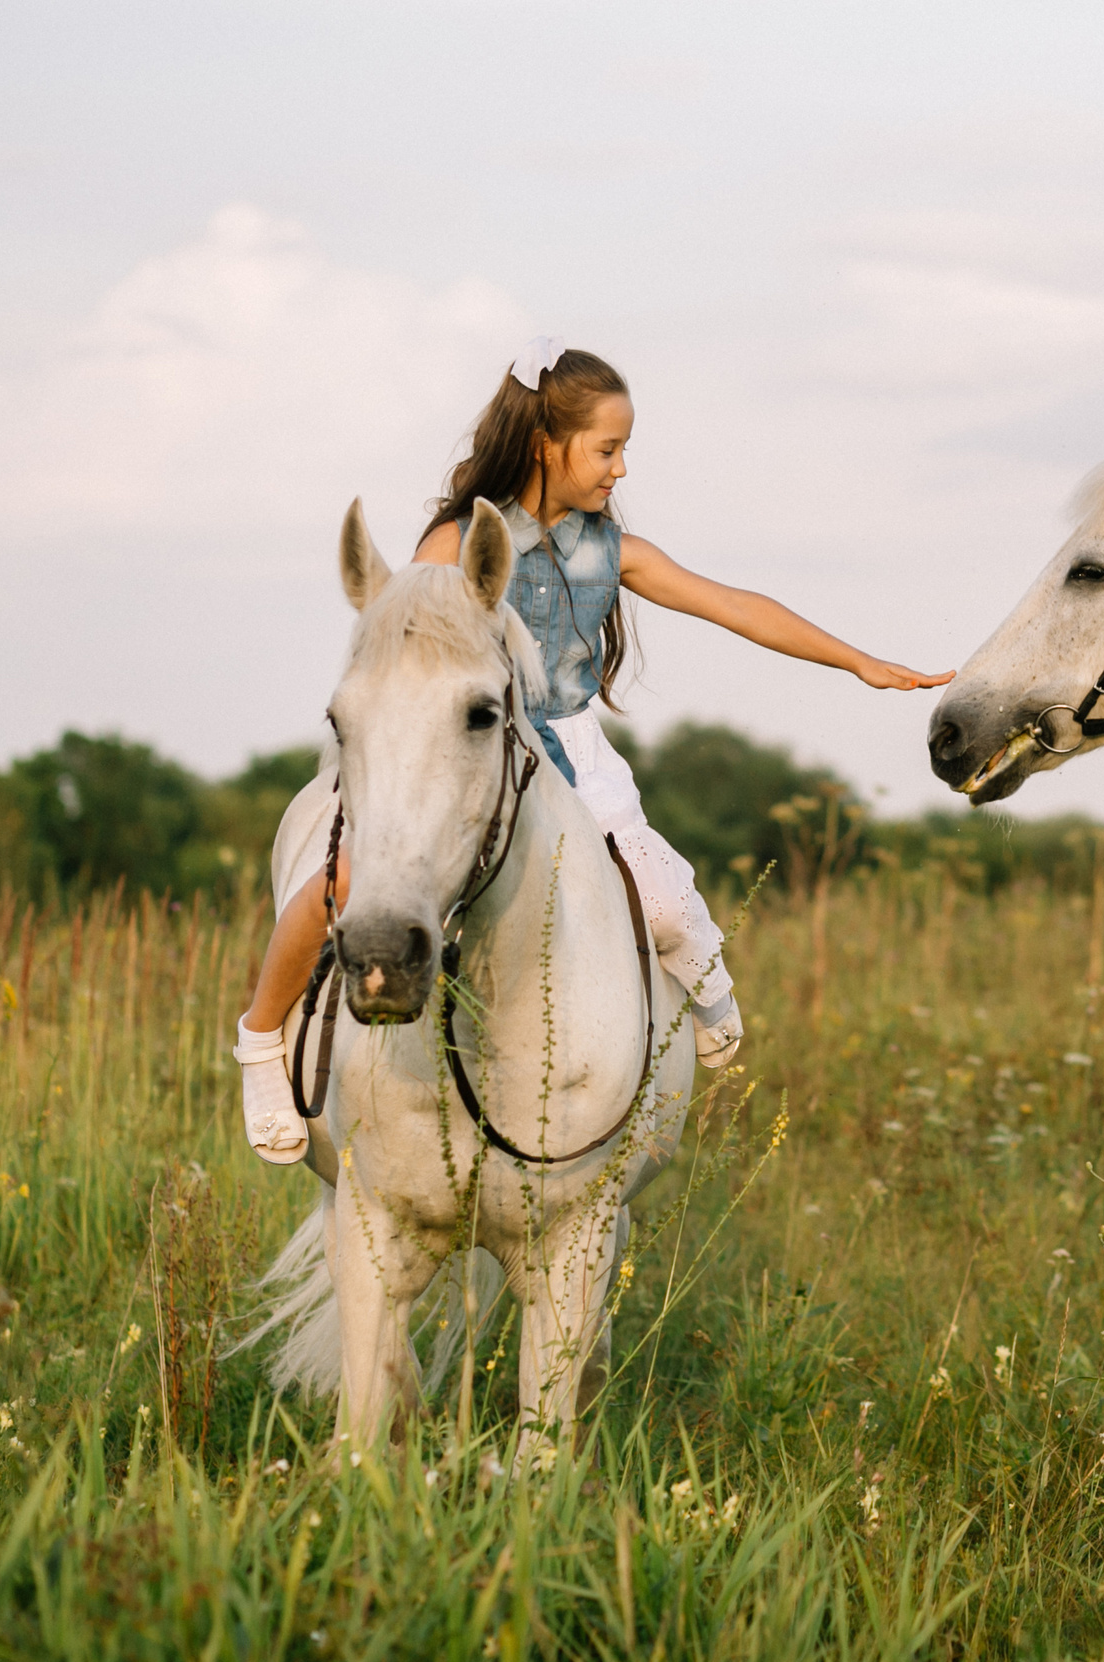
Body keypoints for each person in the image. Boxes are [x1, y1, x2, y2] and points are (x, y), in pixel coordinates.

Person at [232, 339, 951, 1163]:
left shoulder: (609, 550)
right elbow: (403, 648)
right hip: (469, 752)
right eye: (607, 449)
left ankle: (693, 998)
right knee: (350, 877)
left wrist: (855, 659)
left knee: (666, 907)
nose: (619, 469)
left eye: (623, 450)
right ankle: (260, 1041)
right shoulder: (456, 542)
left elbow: (731, 604)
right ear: (547, 441)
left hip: (573, 756)